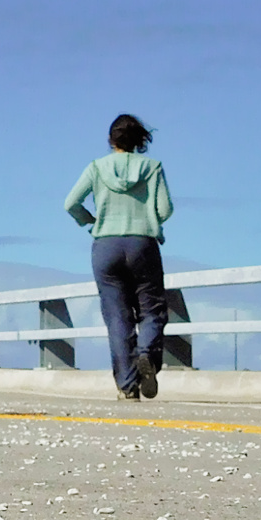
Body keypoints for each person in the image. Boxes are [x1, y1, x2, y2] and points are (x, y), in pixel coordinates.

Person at [64, 114, 173, 400]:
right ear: (139, 141)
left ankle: (128, 386)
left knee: (117, 316)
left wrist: (91, 221)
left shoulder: (97, 167)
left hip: (105, 245)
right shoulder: (152, 167)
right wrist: (149, 218)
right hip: (142, 243)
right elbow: (165, 209)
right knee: (152, 309)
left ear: (111, 140)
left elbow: (70, 203)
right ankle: (147, 354)